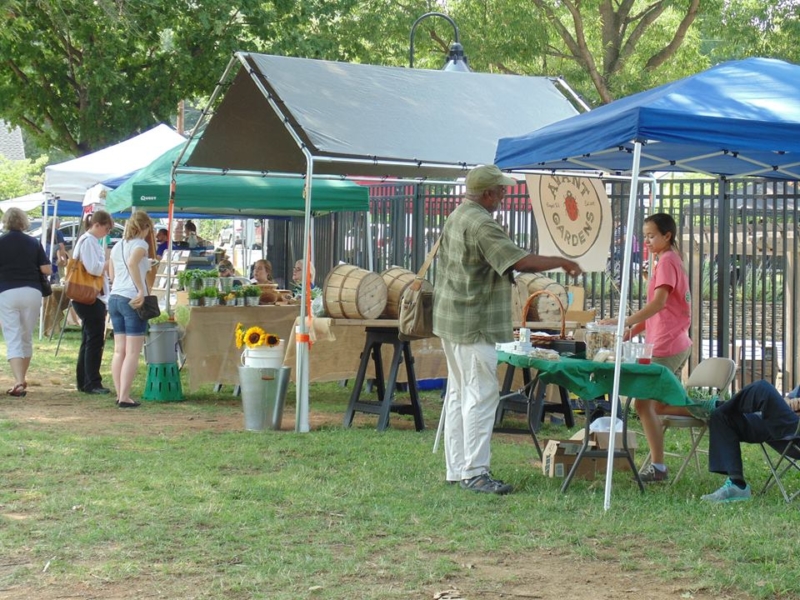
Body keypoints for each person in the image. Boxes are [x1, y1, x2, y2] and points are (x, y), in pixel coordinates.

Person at [432, 165, 583, 495]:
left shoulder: (458, 215)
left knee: (460, 395)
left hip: (453, 320)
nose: (504, 194)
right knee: (481, 396)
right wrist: (562, 261)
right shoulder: (481, 223)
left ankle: (458, 469)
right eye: (500, 190)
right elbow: (519, 261)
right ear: (488, 193)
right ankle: (475, 472)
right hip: (474, 323)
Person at [604, 212, 692, 483]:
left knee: (643, 404)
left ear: (668, 235)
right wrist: (631, 332)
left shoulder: (667, 261)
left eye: (652, 236)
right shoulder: (666, 260)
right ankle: (706, 410)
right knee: (654, 405)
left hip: (668, 344)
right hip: (668, 341)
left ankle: (659, 466)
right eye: (645, 236)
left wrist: (625, 321)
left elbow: (659, 304)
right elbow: (657, 311)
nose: (647, 241)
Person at [701, 380, 799, 502]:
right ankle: (737, 485)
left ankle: (716, 405)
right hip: (785, 428)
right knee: (721, 416)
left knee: (763, 389)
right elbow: (788, 399)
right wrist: (789, 401)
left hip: (794, 433)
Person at [0, 207, 51, 397]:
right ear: (23, 221)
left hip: (6, 291)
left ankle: (19, 381)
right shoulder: (33, 242)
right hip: (32, 291)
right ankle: (21, 379)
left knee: (12, 336)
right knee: (26, 336)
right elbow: (46, 269)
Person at [108, 210, 155, 408]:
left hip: (115, 297)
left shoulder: (117, 246)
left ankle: (120, 393)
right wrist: (140, 289)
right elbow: (132, 262)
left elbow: (112, 274)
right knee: (133, 351)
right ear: (145, 227)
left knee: (119, 350)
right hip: (131, 297)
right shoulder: (141, 244)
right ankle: (125, 396)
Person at [72, 210, 114, 395]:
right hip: (90, 297)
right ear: (97, 225)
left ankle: (84, 380)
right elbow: (93, 268)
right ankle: (92, 382)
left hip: (88, 297)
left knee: (89, 339)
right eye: (106, 228)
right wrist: (109, 263)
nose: (107, 232)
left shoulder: (88, 240)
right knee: (94, 340)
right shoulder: (89, 241)